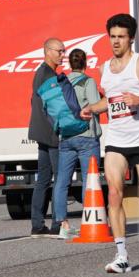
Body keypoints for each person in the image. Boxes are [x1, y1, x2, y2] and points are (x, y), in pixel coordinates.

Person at [80, 14, 139, 273]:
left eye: (121, 37)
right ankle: (122, 256)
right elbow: (110, 102)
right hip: (116, 141)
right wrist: (92, 108)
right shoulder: (104, 69)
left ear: (130, 38)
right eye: (112, 36)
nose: (116, 41)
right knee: (113, 193)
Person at [52, 49, 102, 240]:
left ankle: (63, 224)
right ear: (85, 63)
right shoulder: (87, 81)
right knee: (89, 180)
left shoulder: (61, 82)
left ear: (70, 64)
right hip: (87, 136)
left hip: (65, 137)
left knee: (62, 182)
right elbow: (96, 105)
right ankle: (87, 221)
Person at [28, 38, 64, 238]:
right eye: (59, 51)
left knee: (43, 178)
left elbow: (34, 101)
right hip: (51, 133)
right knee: (60, 178)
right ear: (47, 51)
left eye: (63, 51)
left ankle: (37, 224)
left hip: (42, 131)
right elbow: (55, 107)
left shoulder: (41, 73)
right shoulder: (48, 75)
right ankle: (57, 224)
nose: (62, 55)